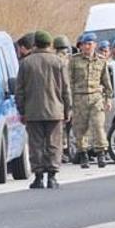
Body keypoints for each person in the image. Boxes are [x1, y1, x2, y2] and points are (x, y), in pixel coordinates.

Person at [15, 30, 72, 189]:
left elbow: (20, 91)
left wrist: (22, 111)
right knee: (54, 143)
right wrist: (68, 110)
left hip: (32, 111)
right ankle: (52, 177)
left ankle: (38, 177)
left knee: (36, 144)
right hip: (55, 110)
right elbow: (66, 89)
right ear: (49, 44)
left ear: (35, 44)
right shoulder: (58, 62)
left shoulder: (26, 63)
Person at [69, 33, 114, 169]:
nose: (87, 47)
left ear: (95, 45)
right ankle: (83, 154)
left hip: (96, 97)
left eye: (89, 44)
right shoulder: (74, 60)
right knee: (80, 128)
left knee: (98, 125)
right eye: (84, 44)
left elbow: (106, 82)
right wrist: (69, 102)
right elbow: (69, 81)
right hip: (79, 97)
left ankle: (101, 153)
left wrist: (108, 98)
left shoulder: (101, 61)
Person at [52, 35, 73, 164]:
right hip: (65, 96)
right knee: (66, 126)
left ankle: (63, 151)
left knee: (62, 127)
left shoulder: (54, 60)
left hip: (57, 97)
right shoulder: (67, 61)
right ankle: (65, 151)